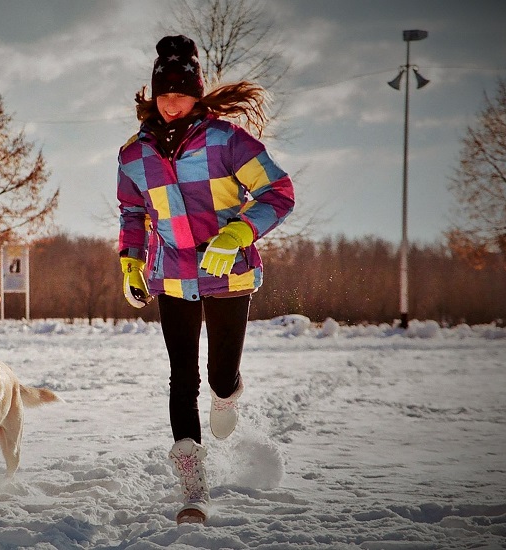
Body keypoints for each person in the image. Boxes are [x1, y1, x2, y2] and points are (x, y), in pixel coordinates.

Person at [116, 34, 294, 524]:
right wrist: (131, 261)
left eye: (181, 92)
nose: (171, 102)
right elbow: (132, 211)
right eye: (163, 92)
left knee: (217, 376)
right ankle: (193, 488)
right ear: (152, 94)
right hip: (172, 276)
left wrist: (236, 233)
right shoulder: (133, 155)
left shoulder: (226, 141)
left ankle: (227, 391)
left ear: (196, 93)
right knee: (181, 377)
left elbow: (278, 191)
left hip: (228, 275)